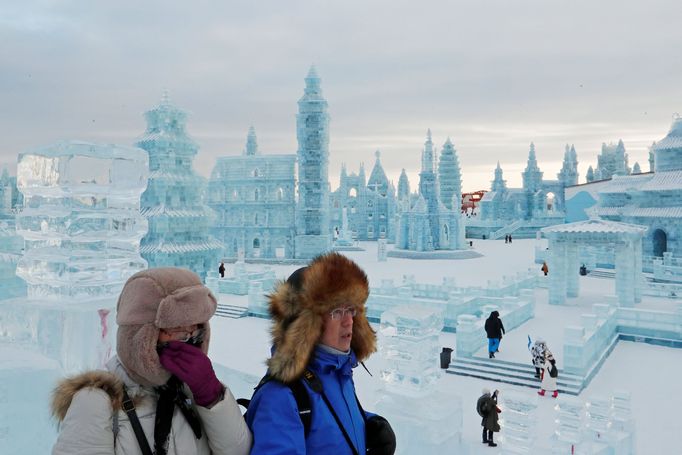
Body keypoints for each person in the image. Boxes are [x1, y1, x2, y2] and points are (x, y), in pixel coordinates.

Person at [51, 267, 252, 455]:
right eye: (176, 330)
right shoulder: (96, 402)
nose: (188, 340)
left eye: (195, 330)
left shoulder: (192, 388)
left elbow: (238, 451)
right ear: (142, 335)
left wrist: (212, 397)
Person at [245, 252, 396, 455]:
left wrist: (367, 422)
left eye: (351, 309)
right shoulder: (281, 398)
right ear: (307, 325)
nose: (349, 321)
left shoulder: (337, 371)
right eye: (336, 312)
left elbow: (326, 420)